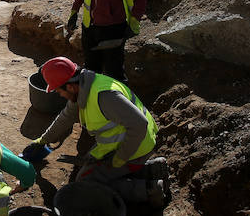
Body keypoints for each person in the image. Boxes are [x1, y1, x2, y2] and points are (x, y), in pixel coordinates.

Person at [25, 56, 167, 207]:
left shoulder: (105, 97)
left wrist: (120, 158)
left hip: (136, 145)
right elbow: (65, 118)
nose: (60, 95)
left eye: (59, 91)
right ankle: (151, 169)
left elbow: (139, 125)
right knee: (91, 168)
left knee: (86, 182)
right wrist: (43, 140)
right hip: (123, 141)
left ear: (70, 87)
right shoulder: (83, 88)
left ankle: (148, 190)